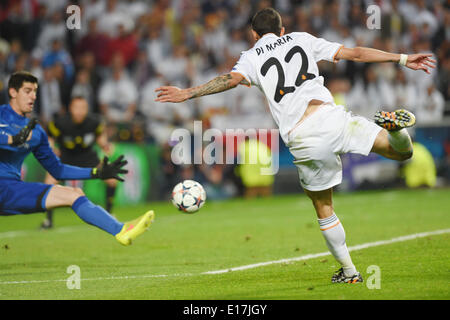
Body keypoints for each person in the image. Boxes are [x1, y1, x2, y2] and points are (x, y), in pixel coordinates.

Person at [155, 8, 436, 283]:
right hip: (331, 116)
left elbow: (230, 80)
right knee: (402, 152)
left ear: (254, 34)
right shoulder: (302, 39)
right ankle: (396, 130)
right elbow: (356, 53)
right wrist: (402, 58)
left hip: (303, 134)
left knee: (323, 204)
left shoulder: (251, 57)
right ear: (282, 30)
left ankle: (350, 272)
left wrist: (188, 93)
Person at [0, 71, 154, 246]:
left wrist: (97, 172)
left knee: (74, 194)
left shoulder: (35, 132)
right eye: (27, 91)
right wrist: (10, 140)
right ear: (13, 92)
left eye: (35, 91)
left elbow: (57, 169)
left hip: (11, 190)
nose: (33, 96)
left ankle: (121, 230)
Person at [40, 95, 119, 229]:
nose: (80, 111)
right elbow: (50, 138)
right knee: (49, 183)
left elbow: (100, 137)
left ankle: (110, 213)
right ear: (71, 108)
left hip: (87, 156)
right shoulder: (60, 123)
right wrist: (51, 148)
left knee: (112, 179)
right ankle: (48, 221)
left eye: (83, 108)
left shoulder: (94, 122)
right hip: (66, 157)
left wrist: (105, 146)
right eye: (77, 107)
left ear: (87, 109)